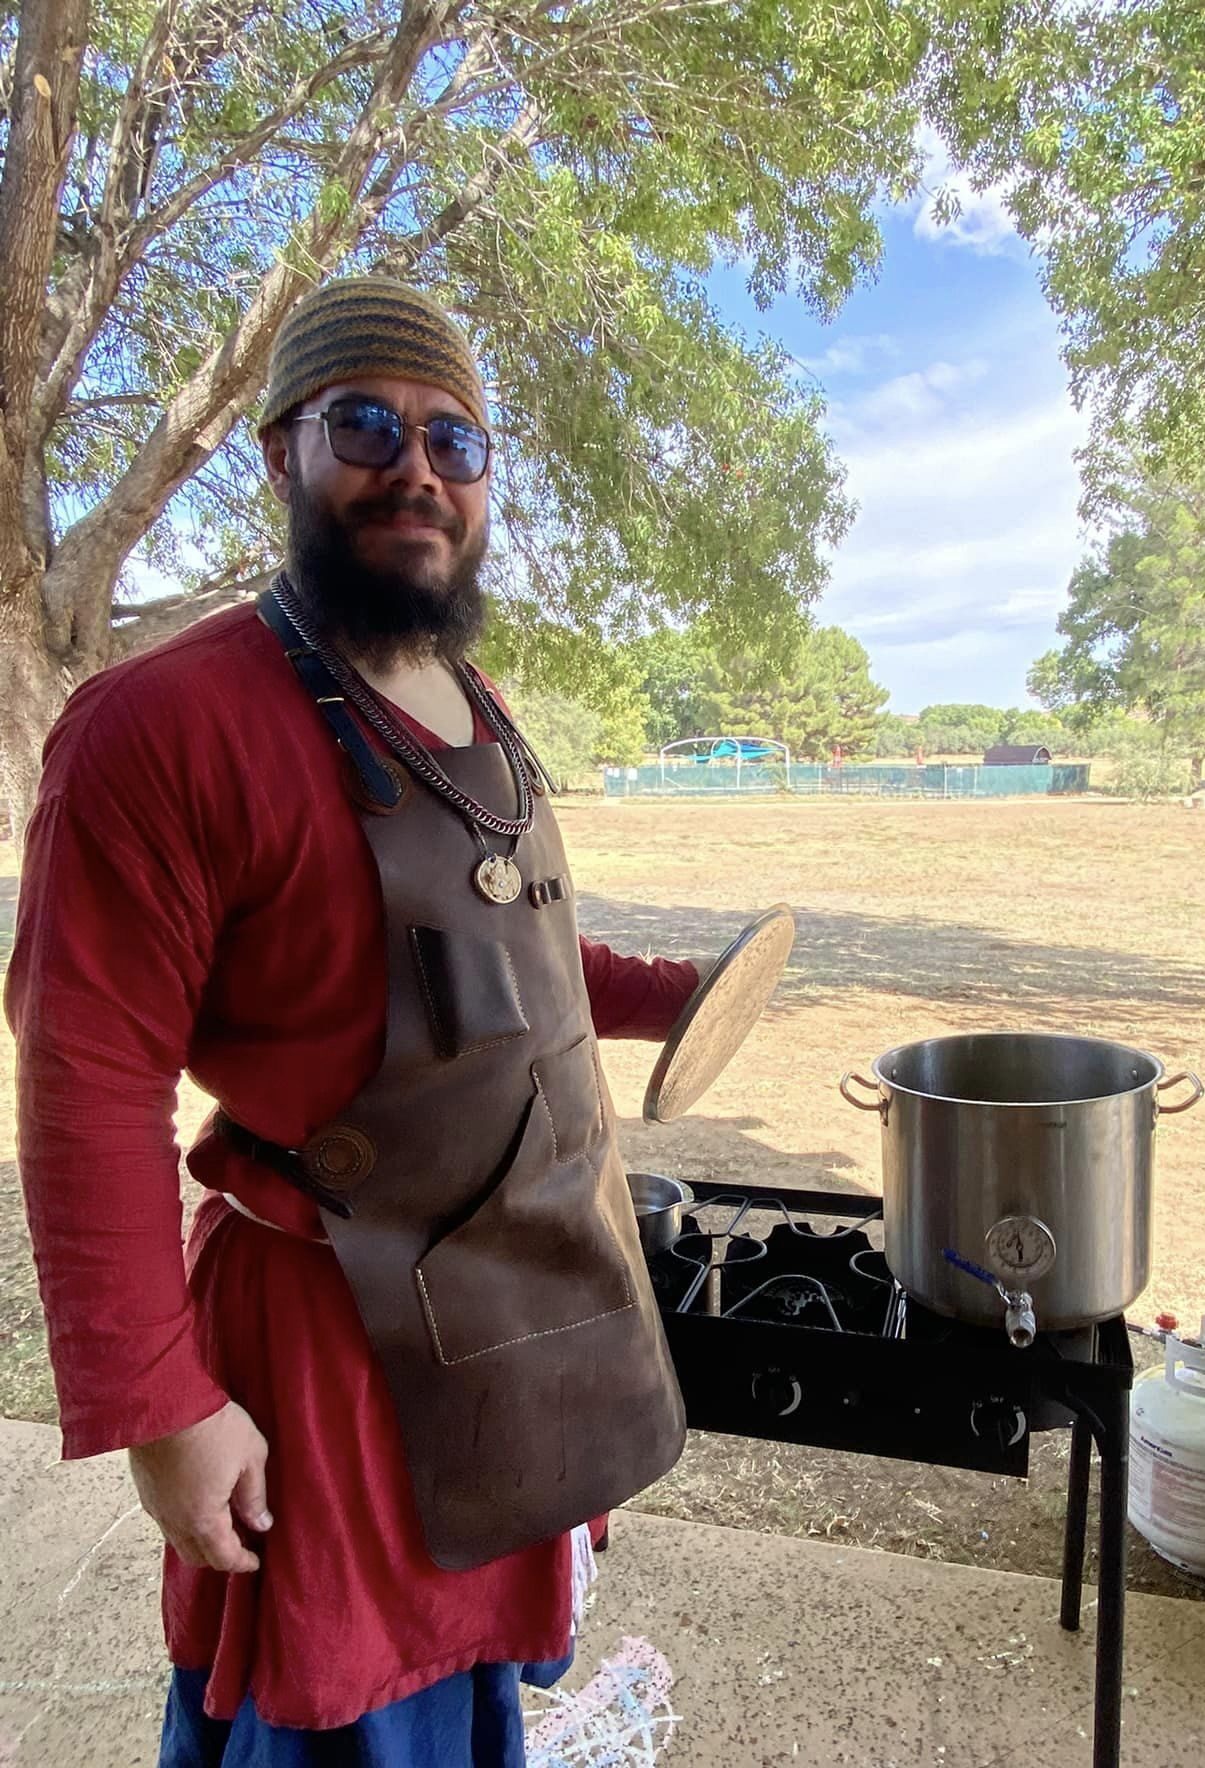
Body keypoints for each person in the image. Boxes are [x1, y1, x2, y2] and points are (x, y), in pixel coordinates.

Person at [6, 278, 705, 1766]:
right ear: (278, 453)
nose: (418, 471)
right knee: (346, 1725)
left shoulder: (474, 699)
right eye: (368, 425)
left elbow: (505, 946)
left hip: (521, 1314)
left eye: (456, 440)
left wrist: (666, 996)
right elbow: (86, 1079)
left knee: (469, 1704)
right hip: (332, 1342)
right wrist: (161, 1404)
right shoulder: (164, 727)